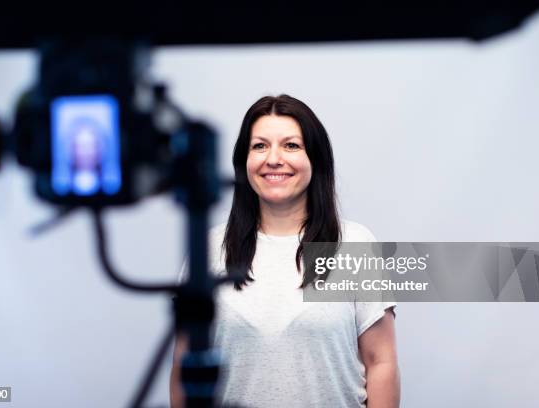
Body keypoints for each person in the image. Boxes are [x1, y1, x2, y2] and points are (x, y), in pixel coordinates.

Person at [170, 94, 399, 408]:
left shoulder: (355, 244)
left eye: (291, 145)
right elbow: (185, 367)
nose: (273, 159)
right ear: (243, 162)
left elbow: (381, 362)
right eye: (259, 146)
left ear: (314, 159)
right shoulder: (208, 248)